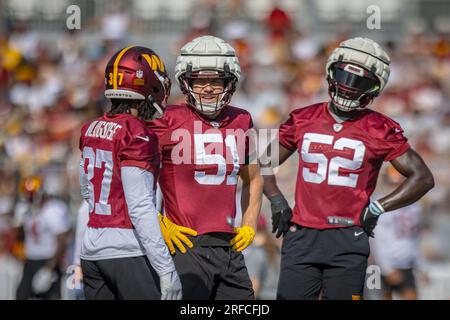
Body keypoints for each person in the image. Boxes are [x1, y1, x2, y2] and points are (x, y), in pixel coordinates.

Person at [261, 37, 434, 300]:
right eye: (344, 76)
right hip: (302, 234)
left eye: (360, 83)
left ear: (374, 88)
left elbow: (423, 178)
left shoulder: (379, 128)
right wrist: (276, 199)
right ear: (331, 73)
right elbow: (261, 162)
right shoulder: (304, 118)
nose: (349, 87)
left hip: (348, 236)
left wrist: (379, 207)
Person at [149, 35, 263, 300]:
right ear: (186, 82)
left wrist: (249, 225)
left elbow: (255, 178)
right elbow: (132, 176)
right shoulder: (168, 119)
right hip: (185, 244)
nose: (208, 88)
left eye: (216, 80)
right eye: (200, 80)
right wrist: (158, 221)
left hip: (228, 248)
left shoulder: (241, 119)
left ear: (230, 82)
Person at [78, 46, 181, 300]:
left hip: (91, 250)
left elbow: (86, 191)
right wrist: (166, 268)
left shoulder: (91, 127)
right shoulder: (136, 132)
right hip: (126, 251)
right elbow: (140, 207)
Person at [370, 167, 424, 300]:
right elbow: (375, 238)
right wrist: (386, 268)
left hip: (405, 263)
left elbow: (414, 238)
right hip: (380, 265)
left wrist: (421, 265)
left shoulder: (415, 206)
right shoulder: (378, 204)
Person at [15, 175, 71, 300]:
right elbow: (21, 237)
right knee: (21, 295)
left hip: (48, 260)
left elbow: (62, 240)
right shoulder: (26, 210)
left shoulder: (52, 210)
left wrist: (49, 268)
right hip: (30, 260)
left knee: (50, 296)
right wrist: (17, 224)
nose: (28, 198)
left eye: (30, 195)